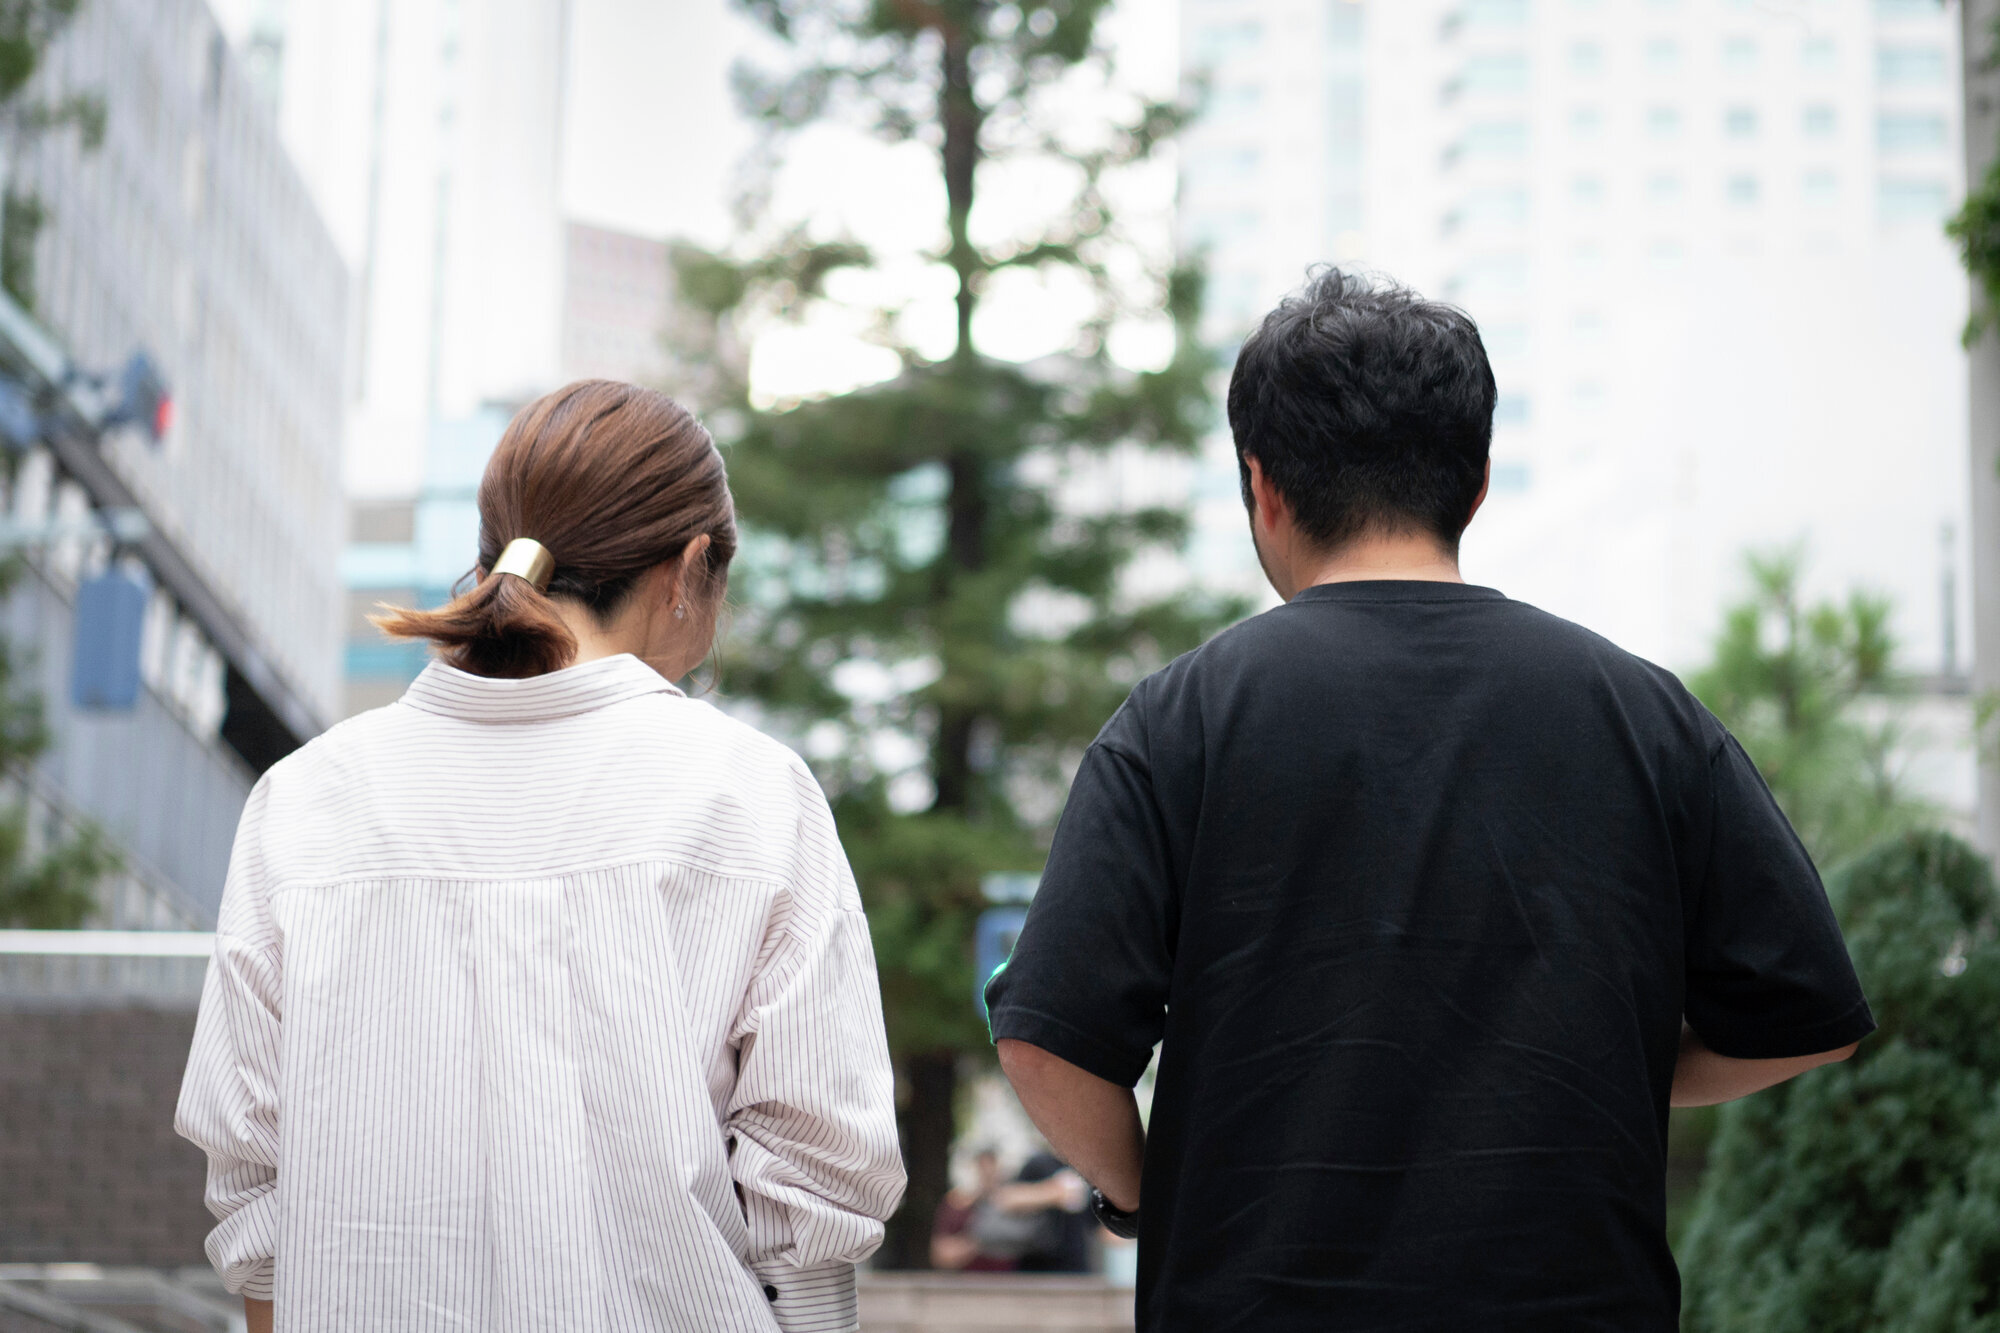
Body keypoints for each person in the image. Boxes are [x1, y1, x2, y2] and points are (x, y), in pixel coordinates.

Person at [984, 270, 1873, 1332]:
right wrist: (1615, 1071)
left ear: (1262, 484)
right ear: (1477, 481)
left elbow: (1044, 1039)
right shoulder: (1643, 715)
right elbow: (1811, 1015)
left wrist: (1146, 1196)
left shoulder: (1180, 719)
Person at [175, 381, 906, 1333]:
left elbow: (254, 1183)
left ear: (491, 557)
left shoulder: (306, 797)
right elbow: (815, 1178)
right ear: (690, 569)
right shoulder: (751, 794)